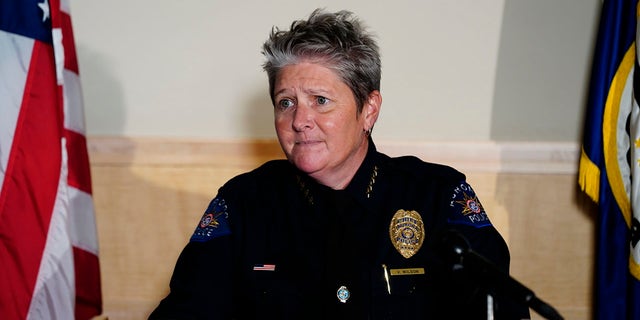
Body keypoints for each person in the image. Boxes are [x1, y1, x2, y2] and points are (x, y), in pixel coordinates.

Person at [149, 8, 531, 319]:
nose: (299, 120)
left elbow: (500, 309)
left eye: (320, 100)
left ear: (369, 110)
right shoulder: (243, 205)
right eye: (286, 102)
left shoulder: (437, 197)